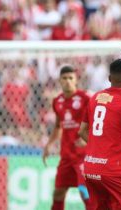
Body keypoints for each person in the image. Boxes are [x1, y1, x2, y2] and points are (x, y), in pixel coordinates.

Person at [78, 58, 121, 210]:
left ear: (109, 78)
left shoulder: (95, 97)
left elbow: (82, 131)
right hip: (114, 169)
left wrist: (99, 147)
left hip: (90, 168)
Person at [42, 65, 92, 210]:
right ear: (60, 81)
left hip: (84, 156)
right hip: (66, 156)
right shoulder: (57, 101)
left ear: (76, 80)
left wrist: (86, 137)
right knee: (58, 193)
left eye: (71, 78)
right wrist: (49, 144)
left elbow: (97, 121)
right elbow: (58, 126)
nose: (68, 81)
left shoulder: (85, 98)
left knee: (86, 193)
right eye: (64, 78)